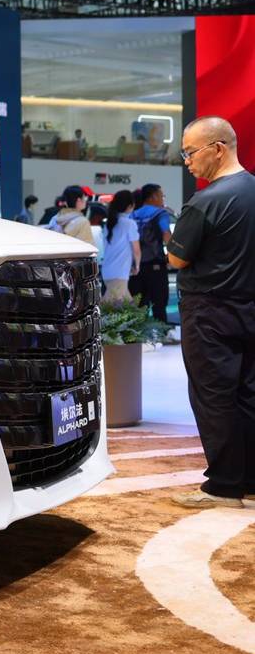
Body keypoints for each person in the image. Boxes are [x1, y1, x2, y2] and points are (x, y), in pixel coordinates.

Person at [166, 117, 255, 509]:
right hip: (249, 307)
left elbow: (177, 258)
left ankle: (224, 486)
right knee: (248, 393)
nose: (187, 161)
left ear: (218, 149)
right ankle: (248, 481)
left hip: (209, 313)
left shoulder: (205, 202)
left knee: (213, 397)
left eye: (190, 152)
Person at [129, 183, 174, 323]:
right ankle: (160, 333)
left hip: (136, 268)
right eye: (161, 196)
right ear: (153, 197)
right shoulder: (160, 213)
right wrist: (173, 256)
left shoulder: (132, 215)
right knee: (159, 306)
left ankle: (138, 335)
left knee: (139, 308)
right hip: (156, 266)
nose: (162, 199)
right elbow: (166, 234)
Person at [100, 190, 140, 304]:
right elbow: (136, 250)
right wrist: (137, 266)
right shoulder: (129, 224)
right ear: (129, 206)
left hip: (107, 270)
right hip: (120, 271)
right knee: (110, 306)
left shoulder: (109, 223)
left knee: (128, 305)